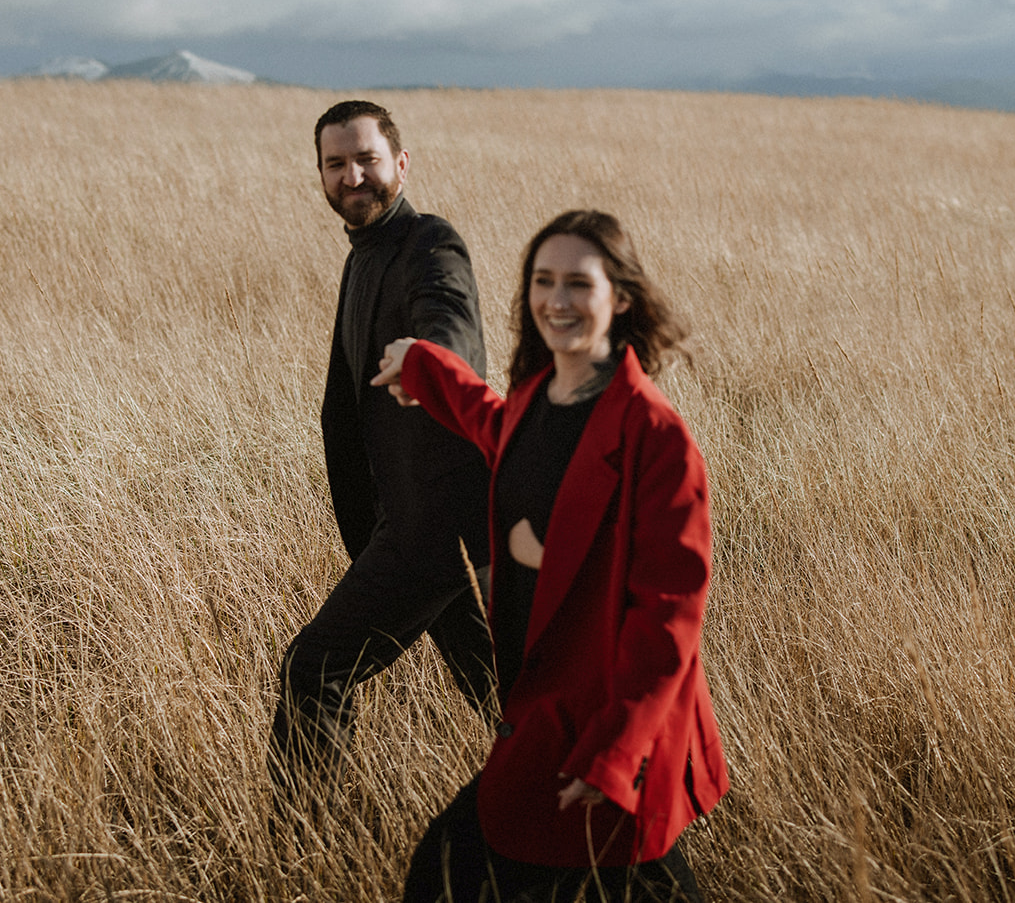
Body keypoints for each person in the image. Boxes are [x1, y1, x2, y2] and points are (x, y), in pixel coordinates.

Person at [372, 210, 728, 902]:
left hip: (606, 720)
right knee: (456, 868)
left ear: (620, 298)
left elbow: (670, 618)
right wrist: (423, 363)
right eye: (543, 281)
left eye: (578, 283)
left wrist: (615, 755)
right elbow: (493, 424)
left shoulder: (656, 436)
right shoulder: (540, 396)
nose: (556, 300)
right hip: (544, 709)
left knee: (473, 870)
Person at [268, 101, 496, 822]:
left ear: (401, 163)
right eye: (335, 164)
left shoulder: (430, 244)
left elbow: (448, 320)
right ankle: (628, 848)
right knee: (517, 702)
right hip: (444, 522)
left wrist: (430, 357)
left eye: (366, 159)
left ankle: (300, 849)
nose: (352, 176)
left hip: (434, 522)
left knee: (315, 667)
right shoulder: (365, 253)